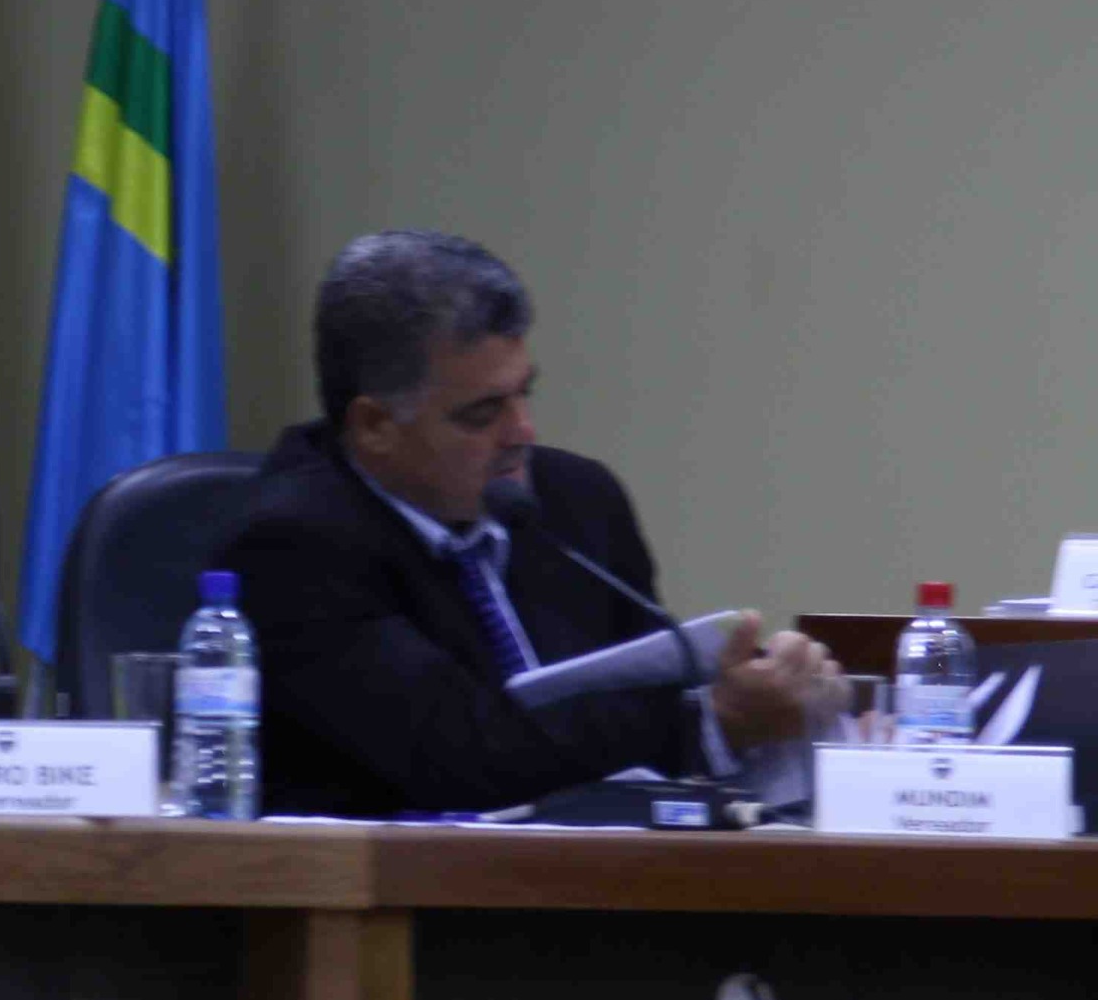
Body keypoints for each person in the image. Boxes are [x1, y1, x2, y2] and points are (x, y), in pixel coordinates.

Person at [223, 229, 832, 816]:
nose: (523, 433)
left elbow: (658, 698)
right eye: (482, 413)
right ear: (375, 426)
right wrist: (713, 723)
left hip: (612, 864)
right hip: (398, 879)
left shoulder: (578, 500)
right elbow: (461, 757)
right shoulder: (291, 546)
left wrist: (775, 693)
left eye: (524, 394)